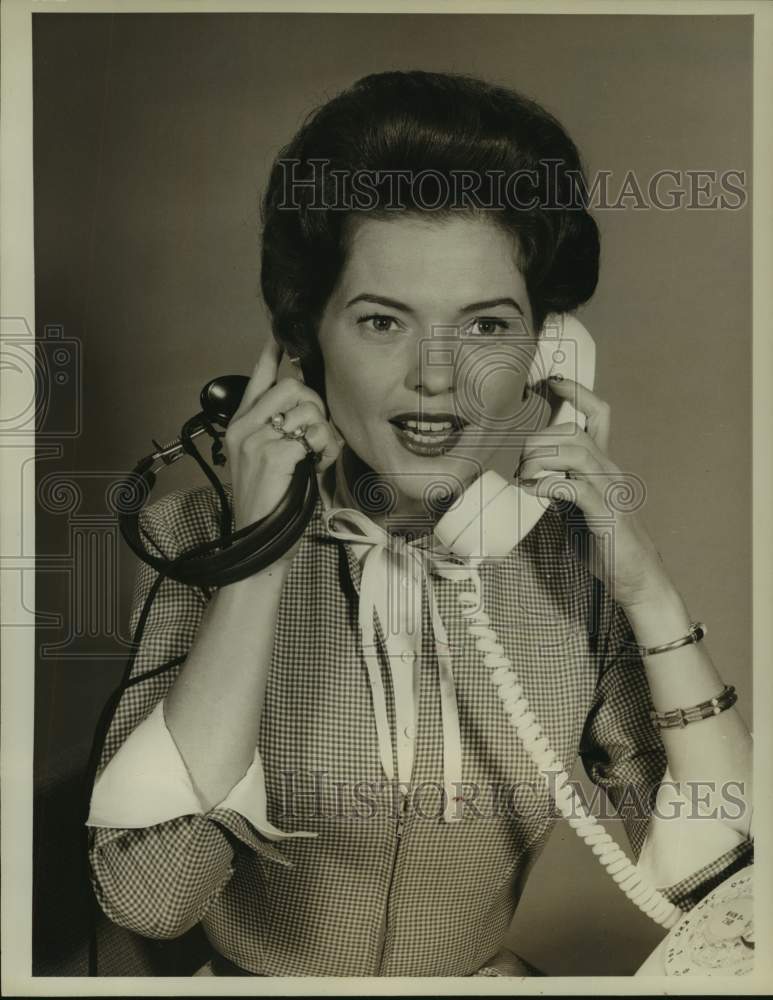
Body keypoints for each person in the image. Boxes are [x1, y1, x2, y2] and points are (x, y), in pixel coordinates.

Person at [86, 71, 753, 977]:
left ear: (547, 353)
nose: (438, 378)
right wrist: (259, 553)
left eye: (485, 325)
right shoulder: (196, 540)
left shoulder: (568, 564)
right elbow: (153, 898)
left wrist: (644, 586)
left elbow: (730, 887)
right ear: (300, 346)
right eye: (381, 321)